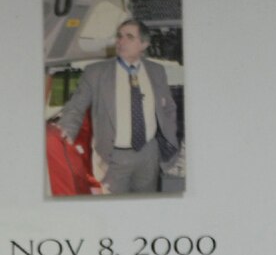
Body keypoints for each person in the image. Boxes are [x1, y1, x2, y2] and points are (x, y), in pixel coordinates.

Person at [52, 17, 180, 195]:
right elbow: (76, 106)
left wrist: (168, 137)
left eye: (129, 37)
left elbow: (168, 108)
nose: (121, 41)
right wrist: (67, 128)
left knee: (145, 205)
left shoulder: (156, 70)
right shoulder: (95, 72)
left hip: (149, 154)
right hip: (113, 157)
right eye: (119, 36)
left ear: (144, 44)